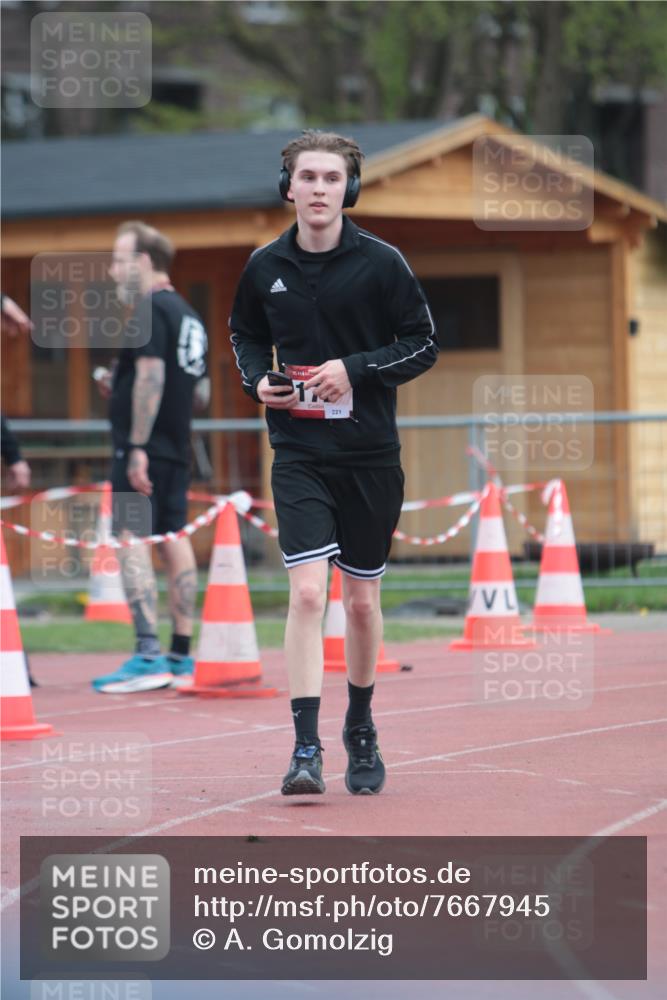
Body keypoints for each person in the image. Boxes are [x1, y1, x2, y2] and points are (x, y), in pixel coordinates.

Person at [230, 130, 438, 796]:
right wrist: (255, 382)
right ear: (286, 187)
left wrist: (354, 369)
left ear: (348, 188)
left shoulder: (382, 264)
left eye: (330, 178)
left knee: (359, 603)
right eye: (306, 176)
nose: (318, 188)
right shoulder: (264, 265)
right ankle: (303, 748)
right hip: (298, 452)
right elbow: (246, 335)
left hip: (369, 455)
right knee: (307, 593)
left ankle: (361, 725)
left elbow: (422, 345)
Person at [91, 221, 208, 694]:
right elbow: (198, 391)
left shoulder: (148, 308)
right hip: (175, 446)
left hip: (143, 448)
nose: (114, 269)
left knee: (130, 538)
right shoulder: (187, 313)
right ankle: (180, 654)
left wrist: (137, 443)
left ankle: (147, 655)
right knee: (172, 536)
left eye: (120, 260)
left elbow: (152, 375)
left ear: (143, 262)